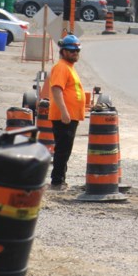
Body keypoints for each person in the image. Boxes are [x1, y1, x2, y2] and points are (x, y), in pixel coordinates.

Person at [47, 33, 86, 190]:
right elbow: (56, 90)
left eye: (77, 51)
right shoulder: (61, 67)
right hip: (64, 116)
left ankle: (60, 179)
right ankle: (57, 181)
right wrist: (64, 112)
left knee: (65, 149)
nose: (75, 53)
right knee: (63, 150)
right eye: (71, 51)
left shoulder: (69, 67)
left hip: (70, 116)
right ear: (63, 51)